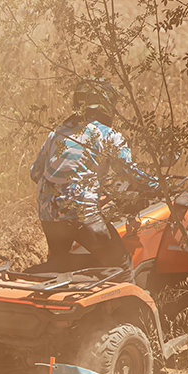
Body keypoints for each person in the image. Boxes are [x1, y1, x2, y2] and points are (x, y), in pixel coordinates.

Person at [29, 79, 155, 282]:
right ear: (105, 103)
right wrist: (159, 185)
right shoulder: (108, 135)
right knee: (122, 267)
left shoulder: (56, 133)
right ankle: (129, 303)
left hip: (48, 217)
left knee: (59, 267)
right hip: (82, 215)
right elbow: (129, 173)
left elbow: (35, 173)